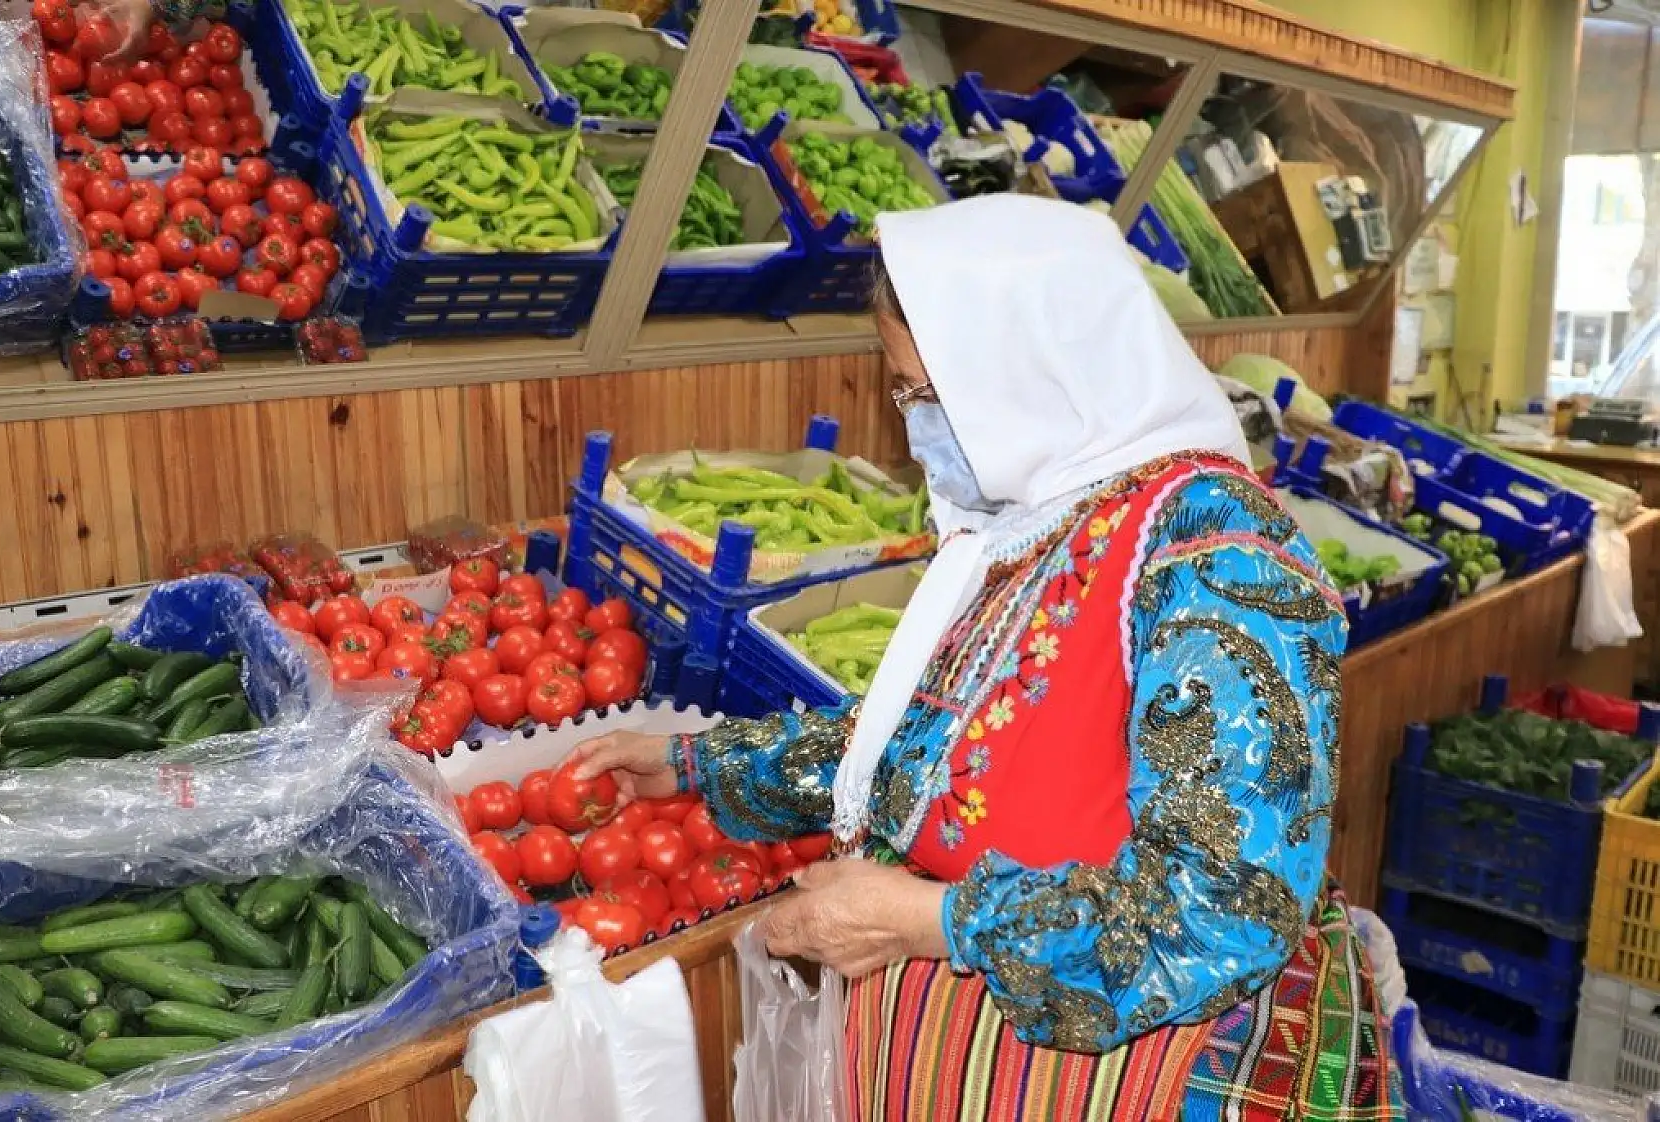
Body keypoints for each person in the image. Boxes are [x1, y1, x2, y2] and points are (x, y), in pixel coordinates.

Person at [570, 194, 1403, 1121]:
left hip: (1159, 1077)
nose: (912, 423)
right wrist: (699, 765)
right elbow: (942, 740)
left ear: (1035, 370)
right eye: (902, 393)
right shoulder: (1040, 518)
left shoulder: (1219, 555)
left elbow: (1219, 911)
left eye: (929, 395)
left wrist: (929, 920)